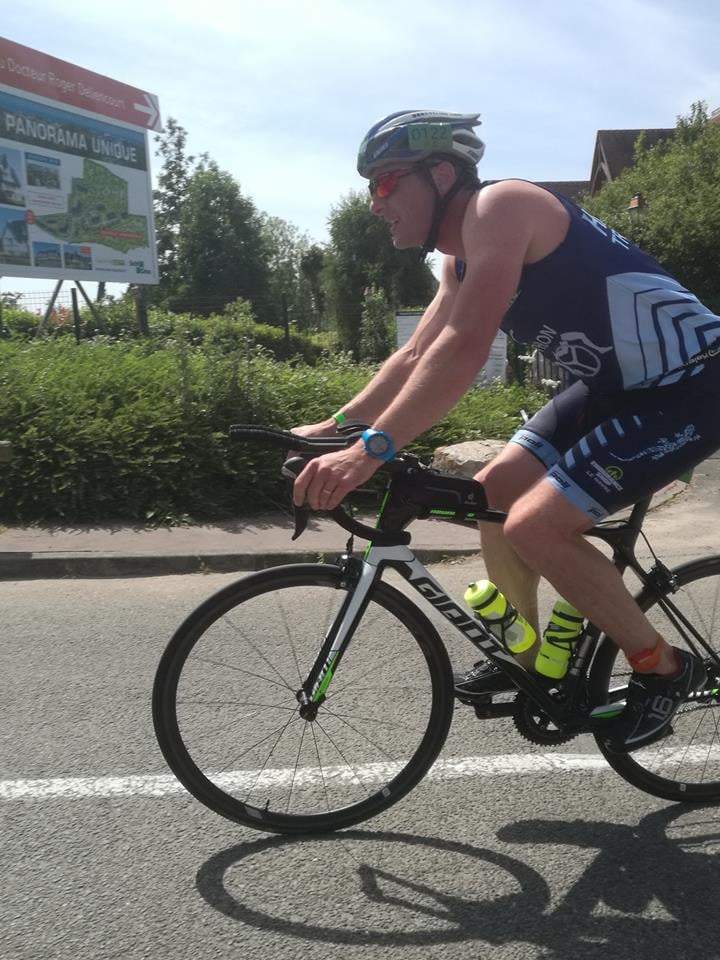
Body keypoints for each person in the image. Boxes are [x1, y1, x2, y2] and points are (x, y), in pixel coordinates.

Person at [292, 109, 720, 753]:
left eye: (384, 182)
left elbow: (464, 348)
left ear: (441, 174)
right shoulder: (459, 262)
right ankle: (531, 660)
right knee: (491, 495)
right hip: (614, 388)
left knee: (534, 526)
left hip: (692, 384)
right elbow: (416, 355)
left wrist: (370, 452)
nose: (375, 202)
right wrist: (334, 427)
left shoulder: (503, 207)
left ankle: (664, 668)